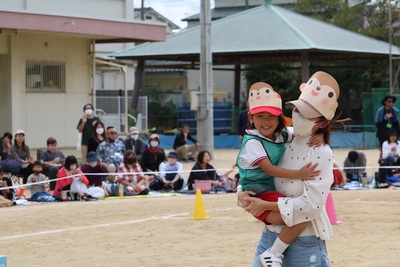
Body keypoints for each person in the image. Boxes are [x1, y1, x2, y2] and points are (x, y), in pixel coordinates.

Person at [242, 71, 343, 267]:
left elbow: (312, 206)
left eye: (307, 115)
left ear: (321, 122)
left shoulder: (321, 152)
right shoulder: (284, 137)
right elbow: (254, 166)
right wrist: (241, 193)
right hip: (271, 234)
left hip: (305, 243)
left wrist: (265, 206)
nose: (298, 116)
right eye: (296, 110)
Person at [236, 82, 320, 267]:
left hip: (268, 190)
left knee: (297, 216)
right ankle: (273, 253)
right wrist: (300, 174)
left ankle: (274, 252)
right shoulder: (252, 142)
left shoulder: (279, 135)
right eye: (260, 116)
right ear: (251, 118)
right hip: (258, 191)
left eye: (271, 117)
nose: (266, 121)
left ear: (280, 118)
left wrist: (320, 134)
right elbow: (269, 169)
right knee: (299, 218)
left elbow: (301, 133)